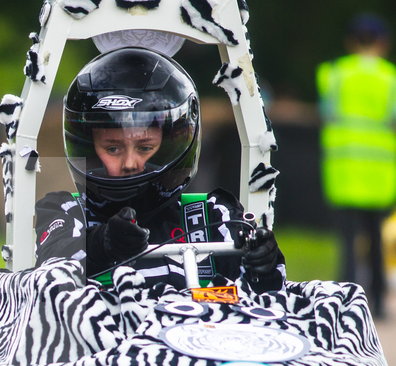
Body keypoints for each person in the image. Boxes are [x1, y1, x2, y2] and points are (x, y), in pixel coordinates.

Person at [35, 47, 284, 293]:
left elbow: (264, 303)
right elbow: (51, 266)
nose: (130, 163)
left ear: (170, 146)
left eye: (144, 148)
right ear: (90, 150)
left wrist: (264, 264)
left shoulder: (213, 214)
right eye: (113, 149)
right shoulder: (65, 211)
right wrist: (103, 243)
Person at [317, 13, 396, 318]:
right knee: (376, 240)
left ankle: (347, 302)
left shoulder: (334, 75)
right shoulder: (390, 79)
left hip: (344, 171)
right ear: (383, 43)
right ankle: (377, 302)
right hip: (379, 174)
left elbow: (327, 114)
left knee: (348, 242)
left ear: (351, 41)